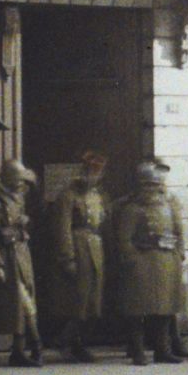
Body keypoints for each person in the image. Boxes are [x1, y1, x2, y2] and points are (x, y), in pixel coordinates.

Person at [112, 160, 188, 365]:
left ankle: (163, 350)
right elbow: (124, 239)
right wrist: (133, 259)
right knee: (137, 310)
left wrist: (179, 254)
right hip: (142, 263)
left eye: (156, 186)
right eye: (148, 186)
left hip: (166, 263)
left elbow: (179, 232)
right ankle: (138, 351)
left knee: (165, 310)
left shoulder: (170, 207)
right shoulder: (132, 209)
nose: (152, 190)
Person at [43, 150, 109, 362]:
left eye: (97, 173)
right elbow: (62, 228)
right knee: (76, 302)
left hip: (95, 250)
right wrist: (67, 258)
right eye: (90, 172)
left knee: (92, 302)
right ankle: (67, 343)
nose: (94, 177)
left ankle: (79, 342)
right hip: (79, 250)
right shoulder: (68, 196)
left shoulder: (97, 196)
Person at [0, 158, 41, 367]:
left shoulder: (19, 196)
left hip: (21, 253)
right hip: (7, 254)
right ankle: (34, 345)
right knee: (21, 303)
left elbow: (36, 196)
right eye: (18, 179)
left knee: (28, 298)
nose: (21, 183)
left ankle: (20, 350)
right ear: (7, 178)